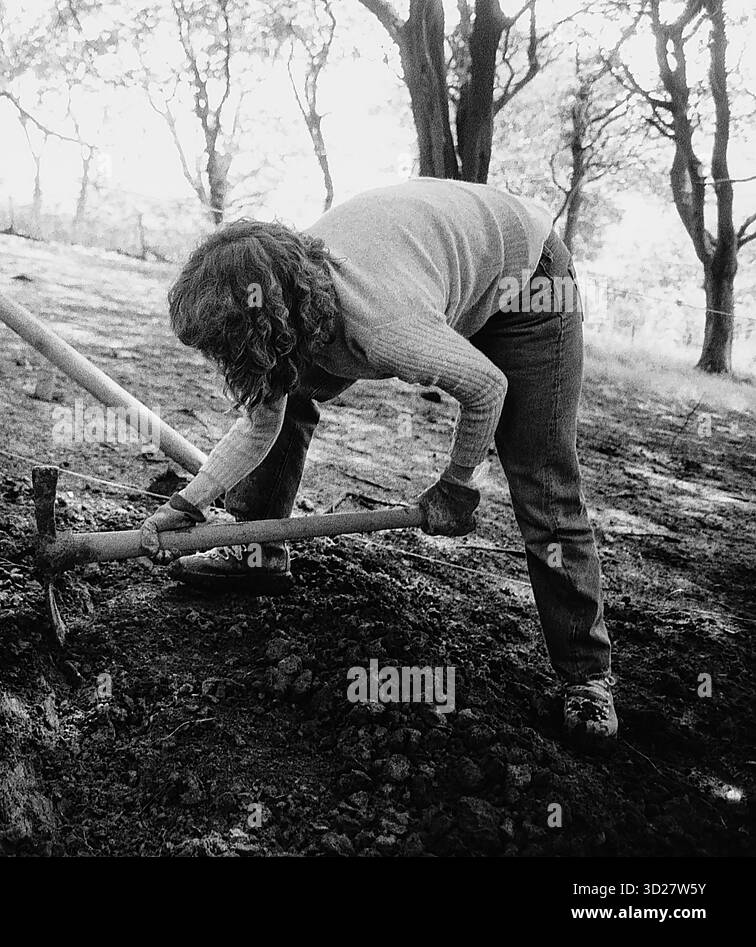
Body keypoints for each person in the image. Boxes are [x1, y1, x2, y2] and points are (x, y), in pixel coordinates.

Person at [138, 178, 616, 747]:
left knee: (542, 477)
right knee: (287, 398)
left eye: (227, 348)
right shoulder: (279, 296)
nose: (224, 361)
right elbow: (261, 421)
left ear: (267, 325)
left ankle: (588, 679)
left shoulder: (382, 324)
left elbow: (487, 388)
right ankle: (259, 549)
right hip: (428, 265)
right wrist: (187, 504)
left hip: (526, 280)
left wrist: (458, 484)